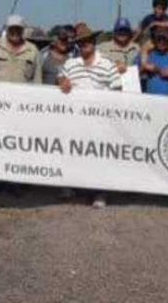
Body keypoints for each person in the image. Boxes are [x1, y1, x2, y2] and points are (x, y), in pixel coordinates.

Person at [59, 24, 120, 207]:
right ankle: (70, 185)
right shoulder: (71, 63)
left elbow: (117, 91)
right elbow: (60, 78)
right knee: (73, 151)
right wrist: (62, 81)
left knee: (99, 155)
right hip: (75, 119)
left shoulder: (107, 64)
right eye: (80, 42)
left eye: (87, 41)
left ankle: (100, 193)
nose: (84, 44)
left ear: (94, 42)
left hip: (100, 121)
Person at [0, 15, 42, 84]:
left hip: (22, 91)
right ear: (6, 29)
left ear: (23, 30)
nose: (15, 32)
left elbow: (37, 79)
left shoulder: (33, 51)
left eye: (18, 29)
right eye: (12, 29)